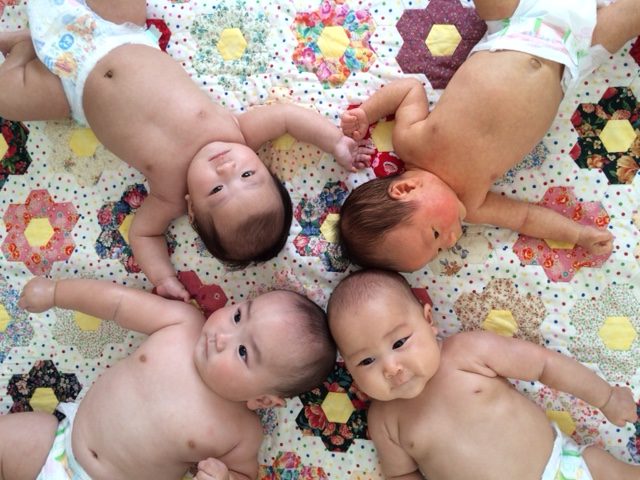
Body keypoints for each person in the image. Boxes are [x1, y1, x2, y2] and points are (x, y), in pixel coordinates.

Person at [0, 0, 373, 301]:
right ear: (262, 164)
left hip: (72, 89)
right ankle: (30, 41)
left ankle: (22, 49)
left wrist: (164, 278)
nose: (226, 169)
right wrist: (335, 142)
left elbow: (144, 235)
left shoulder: (169, 196)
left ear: (192, 209)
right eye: (248, 174)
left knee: (7, 99)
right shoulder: (238, 133)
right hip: (121, 34)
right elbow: (288, 118)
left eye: (217, 189)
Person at [337, 0, 640, 272]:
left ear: (405, 189)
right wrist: (578, 235)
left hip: (514, 25)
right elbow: (525, 218)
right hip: (574, 54)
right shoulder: (473, 203)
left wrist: (367, 112)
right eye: (439, 250)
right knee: (628, 17)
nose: (451, 240)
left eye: (435, 234)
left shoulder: (410, 144)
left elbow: (409, 90)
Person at [1, 276, 336, 480]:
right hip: (59, 442)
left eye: (244, 352)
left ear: (262, 399)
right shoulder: (182, 322)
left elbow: (244, 474)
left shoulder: (241, 433)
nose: (222, 336)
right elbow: (118, 303)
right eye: (237, 316)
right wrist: (57, 292)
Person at [328, 269, 640, 480]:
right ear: (349, 368)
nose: (391, 368)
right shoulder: (384, 419)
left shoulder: (466, 352)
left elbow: (545, 365)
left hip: (564, 469)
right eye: (366, 361)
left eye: (399, 343)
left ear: (428, 321)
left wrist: (606, 397)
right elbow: (401, 474)